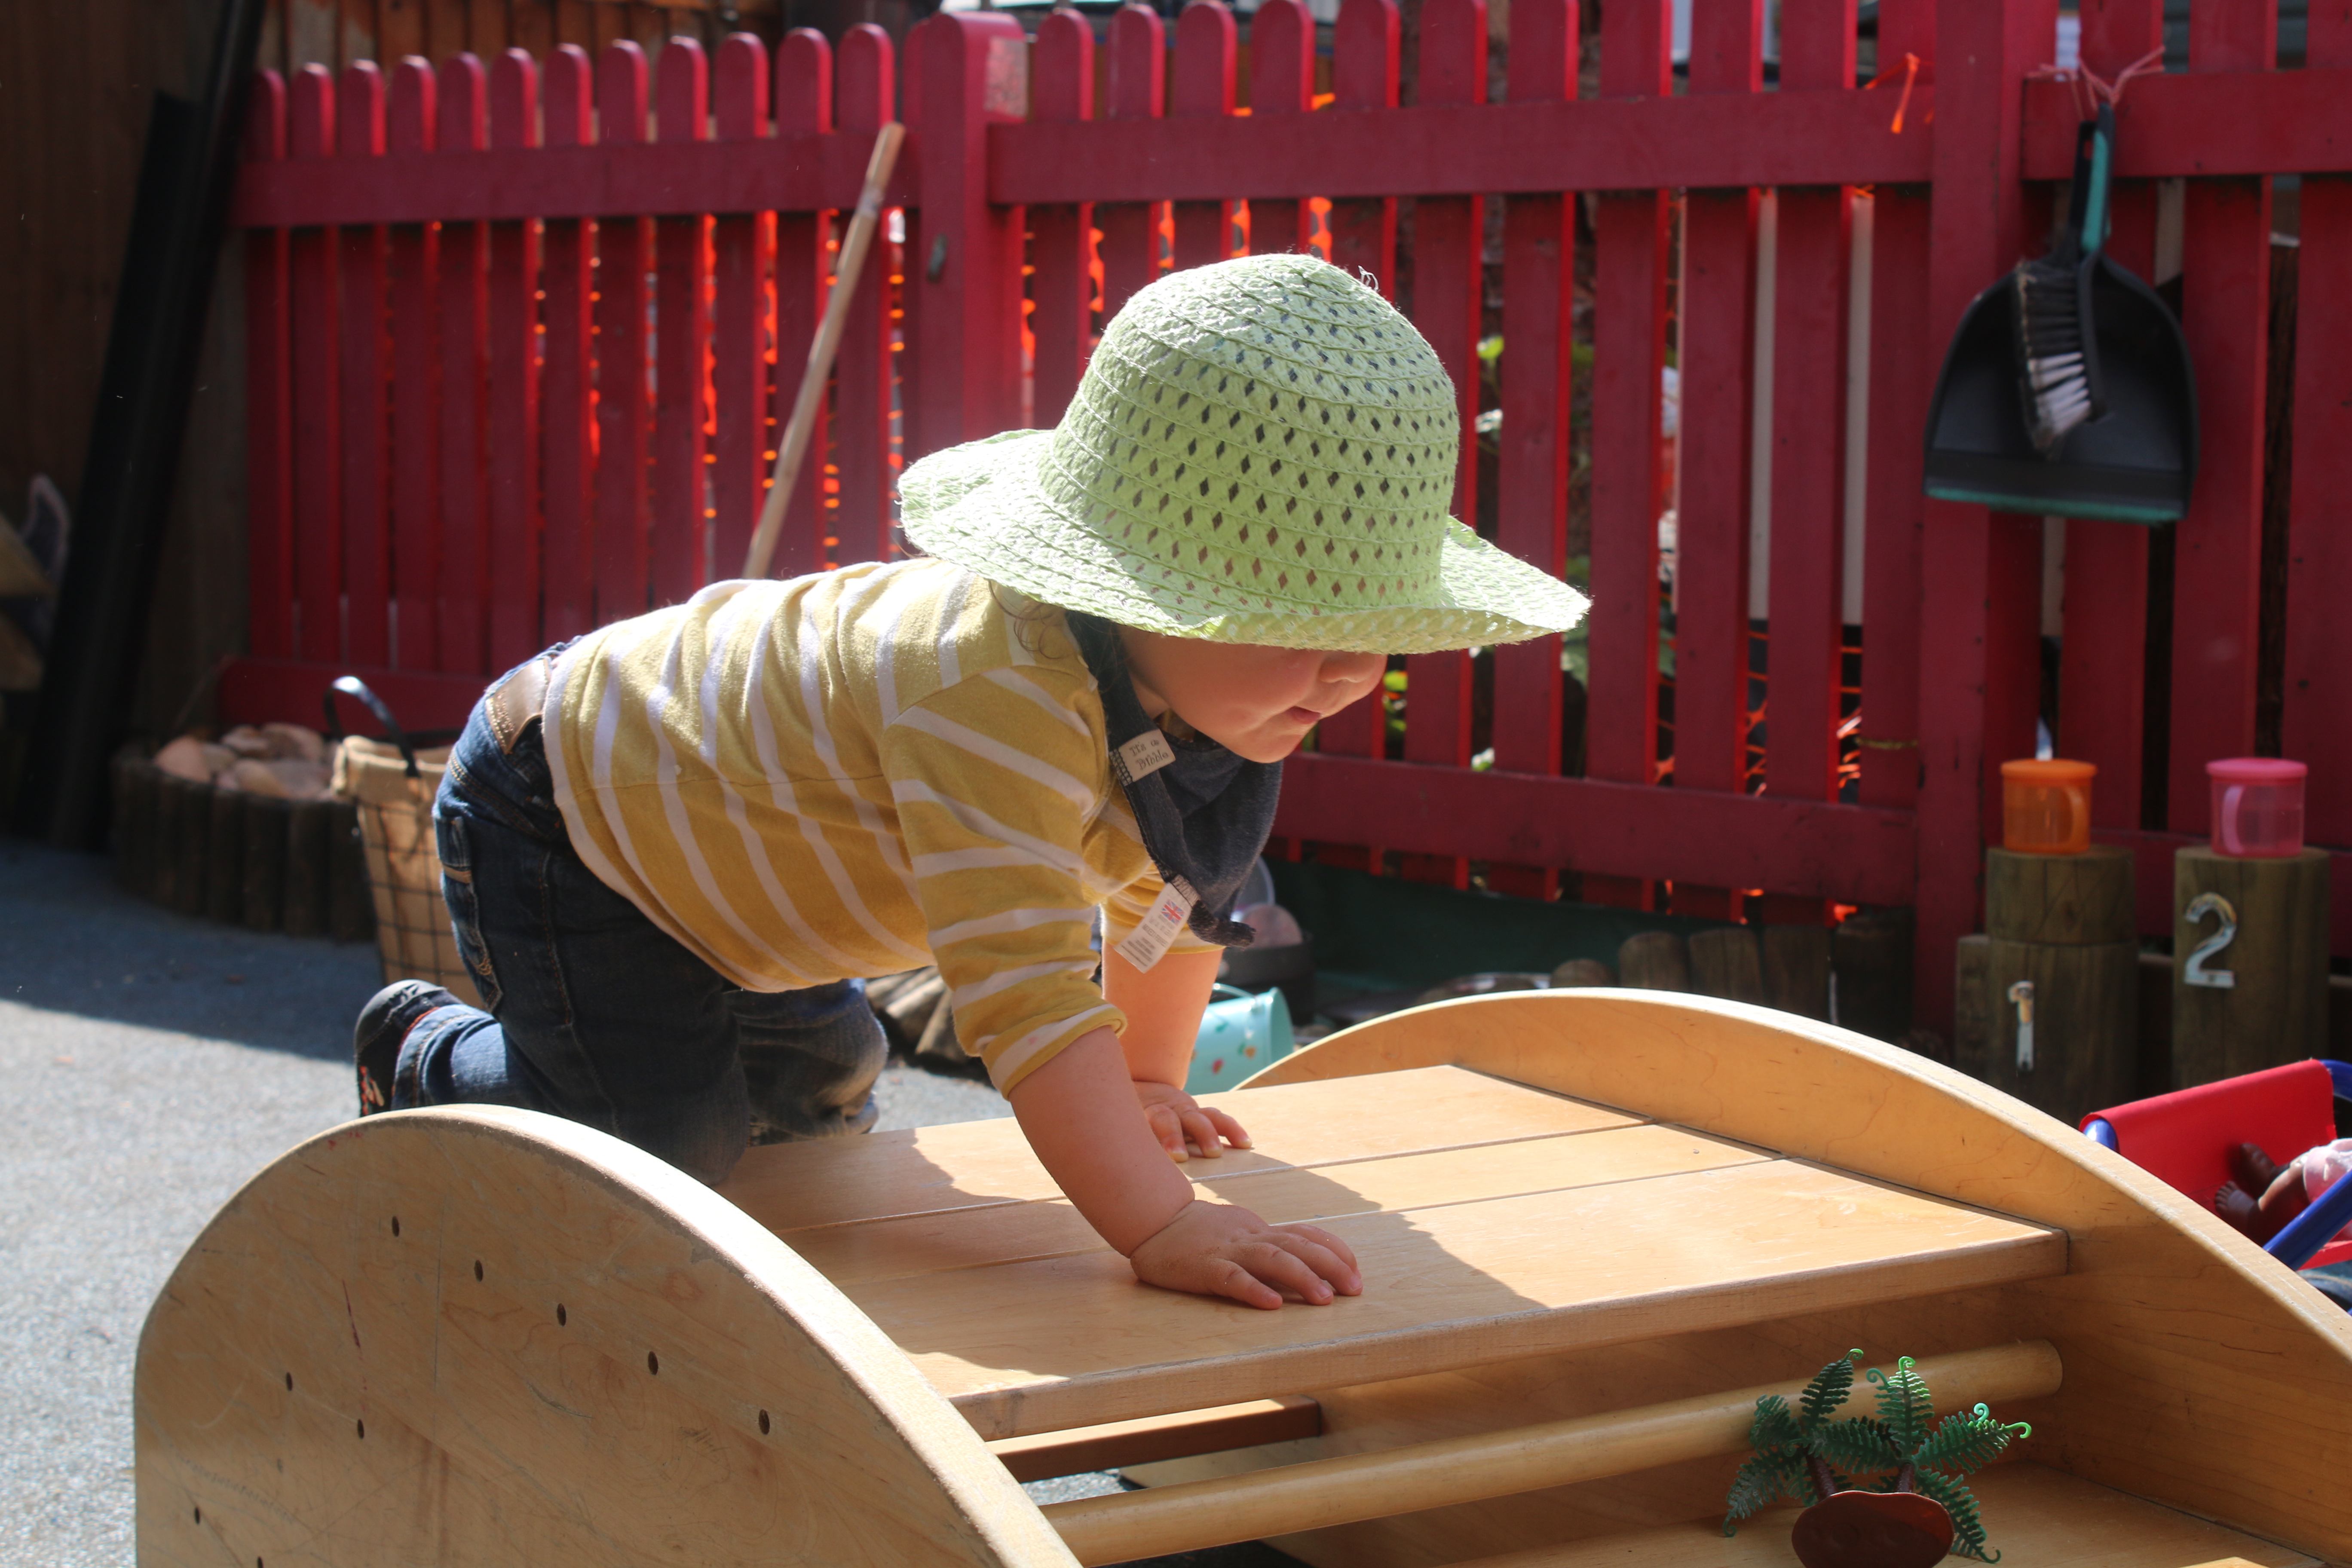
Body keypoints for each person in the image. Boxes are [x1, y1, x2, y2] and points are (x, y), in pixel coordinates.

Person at [351, 252, 1587, 1311]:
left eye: (1379, 629)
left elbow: (1178, 900)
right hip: (580, 812)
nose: (1350, 669)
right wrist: (1159, 1223)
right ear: (1144, 591)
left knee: (820, 1089)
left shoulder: (1220, 706)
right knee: (661, 1139)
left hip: (752, 871)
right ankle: (423, 1050)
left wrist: (1148, 1087)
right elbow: (1030, 1001)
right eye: (1304, 620)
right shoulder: (994, 697)